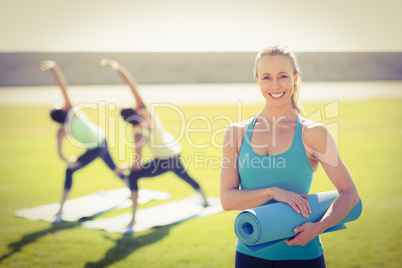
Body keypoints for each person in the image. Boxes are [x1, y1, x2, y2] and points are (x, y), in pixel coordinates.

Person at [220, 45, 359, 267]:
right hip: (249, 255)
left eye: (283, 76)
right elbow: (226, 199)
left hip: (303, 256)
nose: (275, 85)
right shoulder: (235, 133)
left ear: (295, 78)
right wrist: (272, 192)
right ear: (257, 79)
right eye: (267, 77)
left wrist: (318, 227)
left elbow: (349, 193)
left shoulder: (314, 133)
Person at [101, 59, 209, 227]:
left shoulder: (137, 132)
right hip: (174, 152)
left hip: (163, 160)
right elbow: (132, 86)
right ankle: (205, 199)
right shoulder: (145, 111)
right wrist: (118, 68)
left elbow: (136, 164)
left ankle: (133, 218)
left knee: (134, 176)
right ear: (135, 110)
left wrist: (122, 166)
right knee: (185, 176)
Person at [41, 60, 127, 222]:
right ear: (62, 111)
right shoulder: (71, 113)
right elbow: (63, 87)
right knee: (113, 168)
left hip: (99, 143)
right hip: (97, 144)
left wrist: (69, 161)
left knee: (71, 171)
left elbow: (60, 153)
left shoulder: (62, 128)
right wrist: (54, 68)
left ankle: (60, 209)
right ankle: (130, 187)